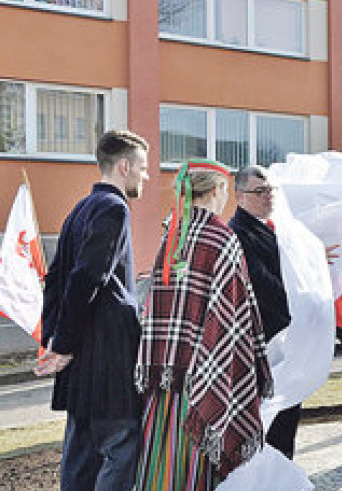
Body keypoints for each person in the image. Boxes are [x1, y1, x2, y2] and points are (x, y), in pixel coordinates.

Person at [135, 160, 273, 489]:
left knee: (161, 456)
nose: (225, 199)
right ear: (214, 191)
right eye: (225, 191)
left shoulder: (170, 238)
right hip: (206, 375)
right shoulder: (221, 238)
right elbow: (235, 314)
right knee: (197, 450)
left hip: (167, 373)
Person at [37, 130, 149, 491]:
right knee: (121, 445)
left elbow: (55, 279)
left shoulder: (79, 209)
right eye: (142, 168)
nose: (146, 176)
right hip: (108, 358)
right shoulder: (114, 208)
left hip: (81, 358)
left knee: (82, 456)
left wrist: (55, 338)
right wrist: (62, 344)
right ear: (123, 166)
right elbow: (88, 276)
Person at [228, 165, 302, 458]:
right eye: (260, 191)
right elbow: (263, 285)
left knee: (286, 420)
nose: (268, 196)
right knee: (273, 425)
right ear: (239, 196)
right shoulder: (239, 233)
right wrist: (301, 301)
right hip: (265, 343)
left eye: (270, 190)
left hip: (283, 340)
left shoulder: (269, 228)